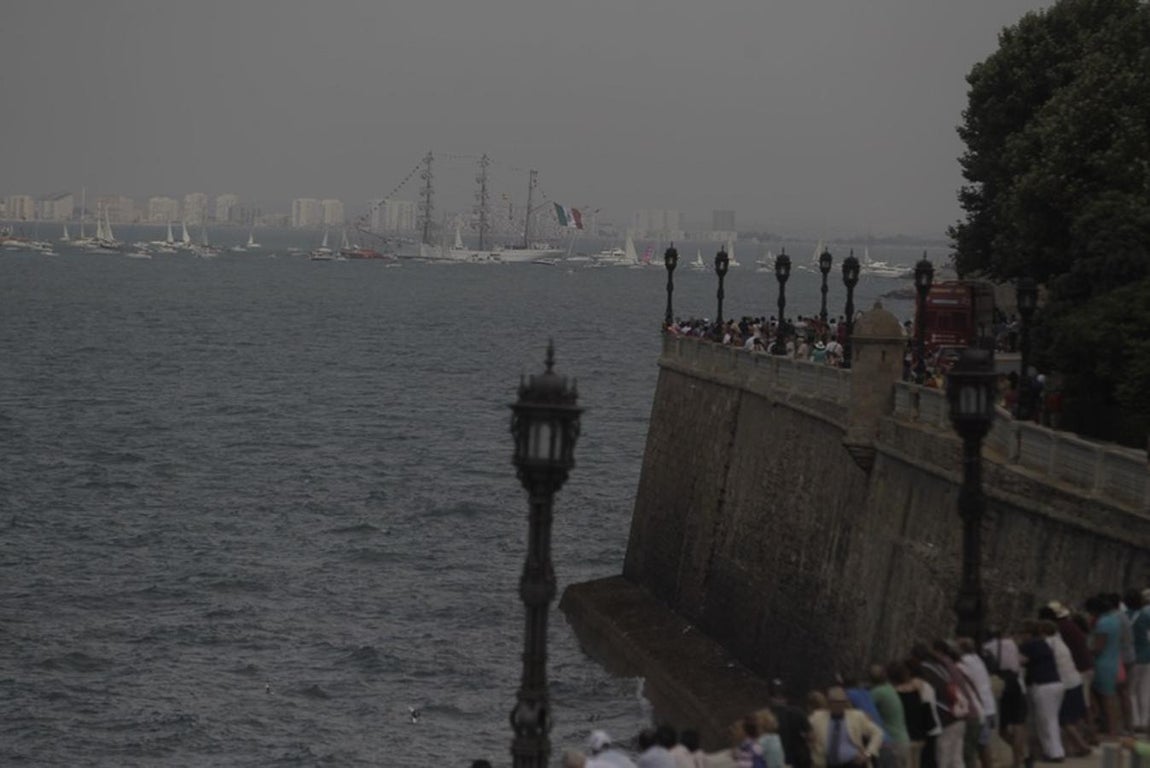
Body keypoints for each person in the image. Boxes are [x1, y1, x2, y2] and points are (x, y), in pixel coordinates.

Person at [1020, 620, 1065, 761]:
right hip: (1056, 683)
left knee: (1046, 721)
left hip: (1043, 686)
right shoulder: (1043, 643)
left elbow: (1020, 661)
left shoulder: (1029, 645)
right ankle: (1051, 751)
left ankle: (1055, 753)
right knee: (1049, 719)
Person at [809, 686, 884, 767]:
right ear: (829, 703)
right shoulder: (816, 718)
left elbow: (877, 733)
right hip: (827, 764)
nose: (839, 706)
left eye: (842, 702)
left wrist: (868, 753)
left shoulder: (857, 716)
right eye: (835, 702)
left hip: (852, 762)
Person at [868, 663, 910, 768]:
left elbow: (864, 709)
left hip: (892, 742)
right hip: (903, 740)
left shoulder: (877, 693)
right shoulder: (889, 689)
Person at [768, 678, 813, 768]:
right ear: (787, 697)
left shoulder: (765, 716)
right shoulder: (798, 712)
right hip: (798, 760)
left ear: (770, 697)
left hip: (776, 761)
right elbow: (811, 736)